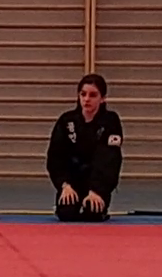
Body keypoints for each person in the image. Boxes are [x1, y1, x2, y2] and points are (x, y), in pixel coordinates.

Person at [46, 73, 123, 222]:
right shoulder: (66, 120)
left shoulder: (110, 121)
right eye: (83, 94)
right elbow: (55, 157)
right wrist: (64, 185)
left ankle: (99, 203)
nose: (87, 99)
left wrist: (97, 190)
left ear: (103, 98)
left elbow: (110, 159)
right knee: (66, 213)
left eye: (93, 95)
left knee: (92, 213)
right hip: (72, 181)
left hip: (96, 181)